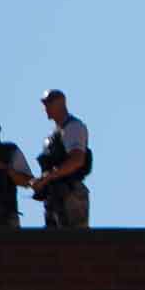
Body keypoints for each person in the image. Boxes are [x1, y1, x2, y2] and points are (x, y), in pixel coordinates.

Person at [32, 89, 92, 228]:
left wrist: (49, 177)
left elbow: (77, 159)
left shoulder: (73, 127)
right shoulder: (53, 135)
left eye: (49, 102)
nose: (46, 107)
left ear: (61, 103)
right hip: (54, 197)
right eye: (45, 103)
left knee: (74, 244)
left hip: (70, 194)